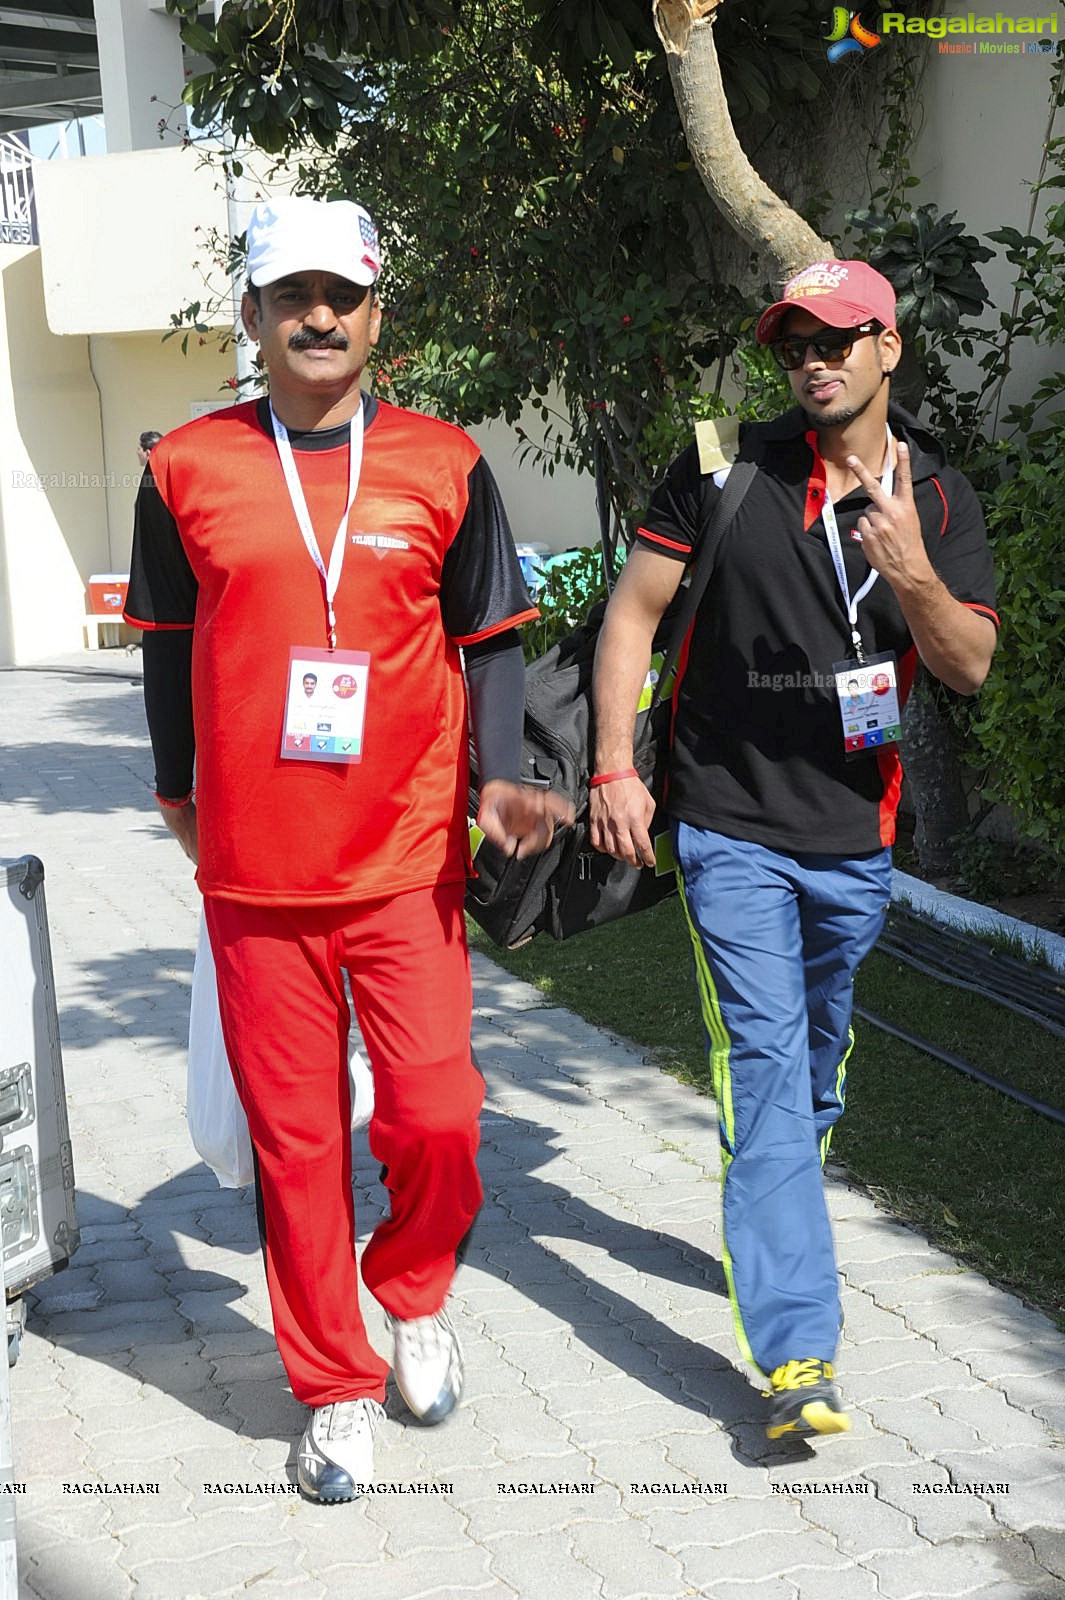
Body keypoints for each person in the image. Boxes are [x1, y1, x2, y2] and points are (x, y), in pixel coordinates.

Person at [124, 195, 570, 1502]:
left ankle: (413, 1296)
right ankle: (331, 1386)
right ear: (254, 317)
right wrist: (172, 791)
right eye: (291, 296)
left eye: (343, 296)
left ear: (375, 313)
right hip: (258, 873)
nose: (319, 316)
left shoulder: (444, 461)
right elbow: (165, 644)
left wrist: (497, 779)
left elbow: (488, 637)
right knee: (297, 1144)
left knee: (437, 1115)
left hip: (405, 861)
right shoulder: (185, 468)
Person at [590, 259, 997, 1441]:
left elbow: (968, 666)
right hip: (727, 827)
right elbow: (633, 612)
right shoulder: (724, 463)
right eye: (792, 343)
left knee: (812, 1066)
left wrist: (910, 566)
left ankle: (775, 1201)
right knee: (763, 1063)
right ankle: (796, 1352)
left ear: (888, 348)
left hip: (854, 838)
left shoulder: (944, 495)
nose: (811, 359)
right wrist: (617, 764)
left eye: (835, 339)